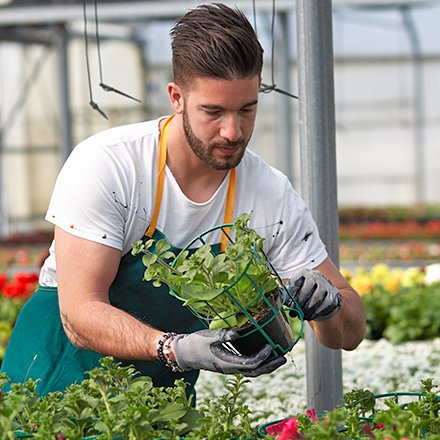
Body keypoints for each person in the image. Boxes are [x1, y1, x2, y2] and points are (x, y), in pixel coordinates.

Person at [1, 3, 365, 397]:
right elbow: (80, 315)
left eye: (247, 109)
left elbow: (349, 333)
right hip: (52, 381)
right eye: (213, 111)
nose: (232, 131)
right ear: (176, 97)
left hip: (161, 404)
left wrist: (329, 307)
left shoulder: (270, 194)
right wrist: (175, 348)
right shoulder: (111, 164)